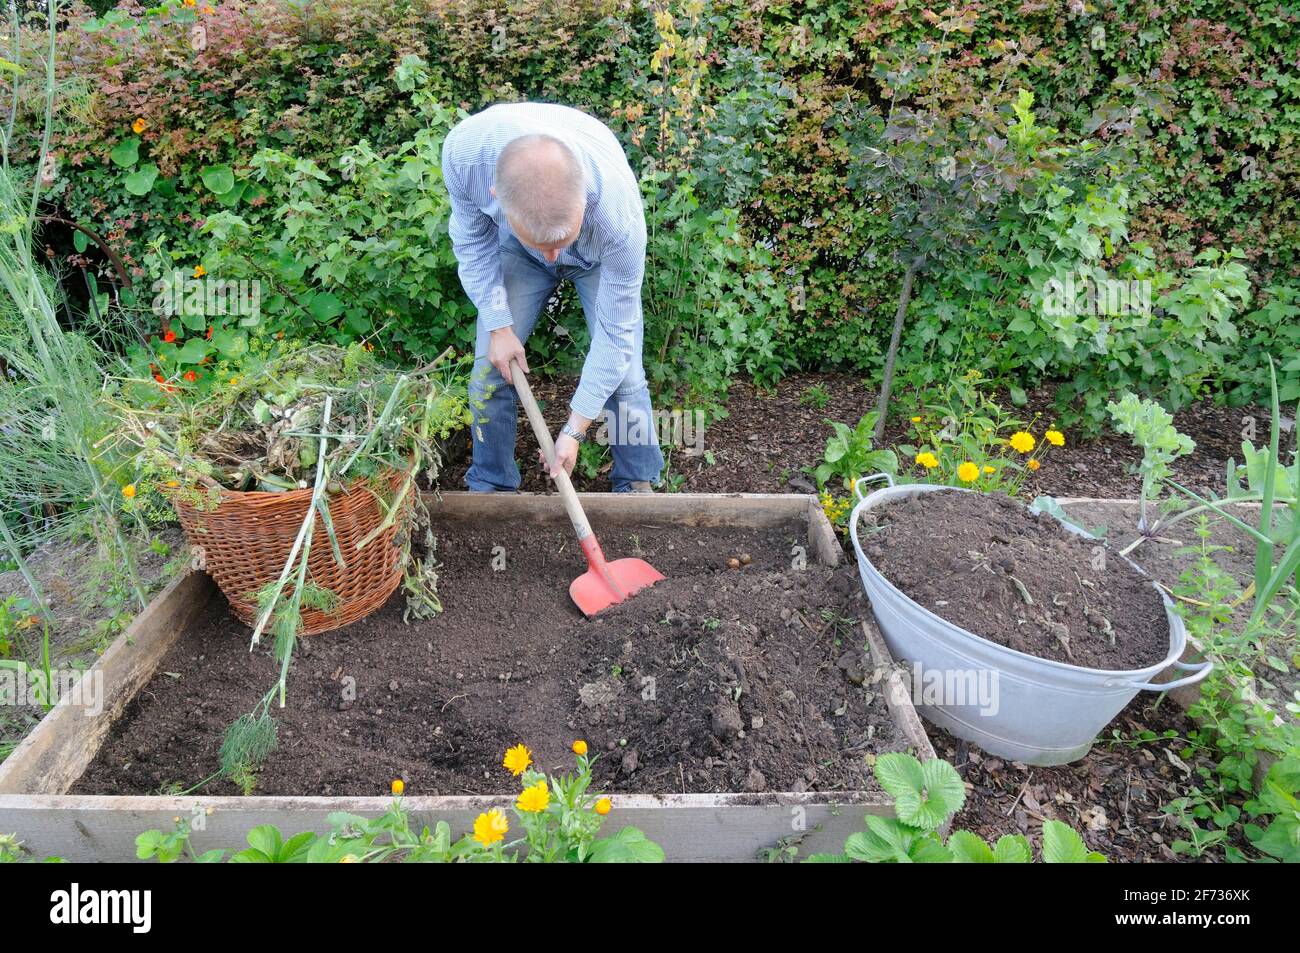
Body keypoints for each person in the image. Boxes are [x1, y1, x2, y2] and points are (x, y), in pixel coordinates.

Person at [441, 102, 664, 492]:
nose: (554, 259)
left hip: (598, 255)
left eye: (561, 243)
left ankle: (636, 481)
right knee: (489, 370)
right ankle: (491, 486)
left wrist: (574, 430)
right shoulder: (466, 157)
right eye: (544, 246)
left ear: (585, 200)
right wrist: (498, 324)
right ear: (498, 199)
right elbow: (473, 243)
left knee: (625, 376)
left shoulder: (618, 216)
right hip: (516, 250)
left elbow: (616, 338)